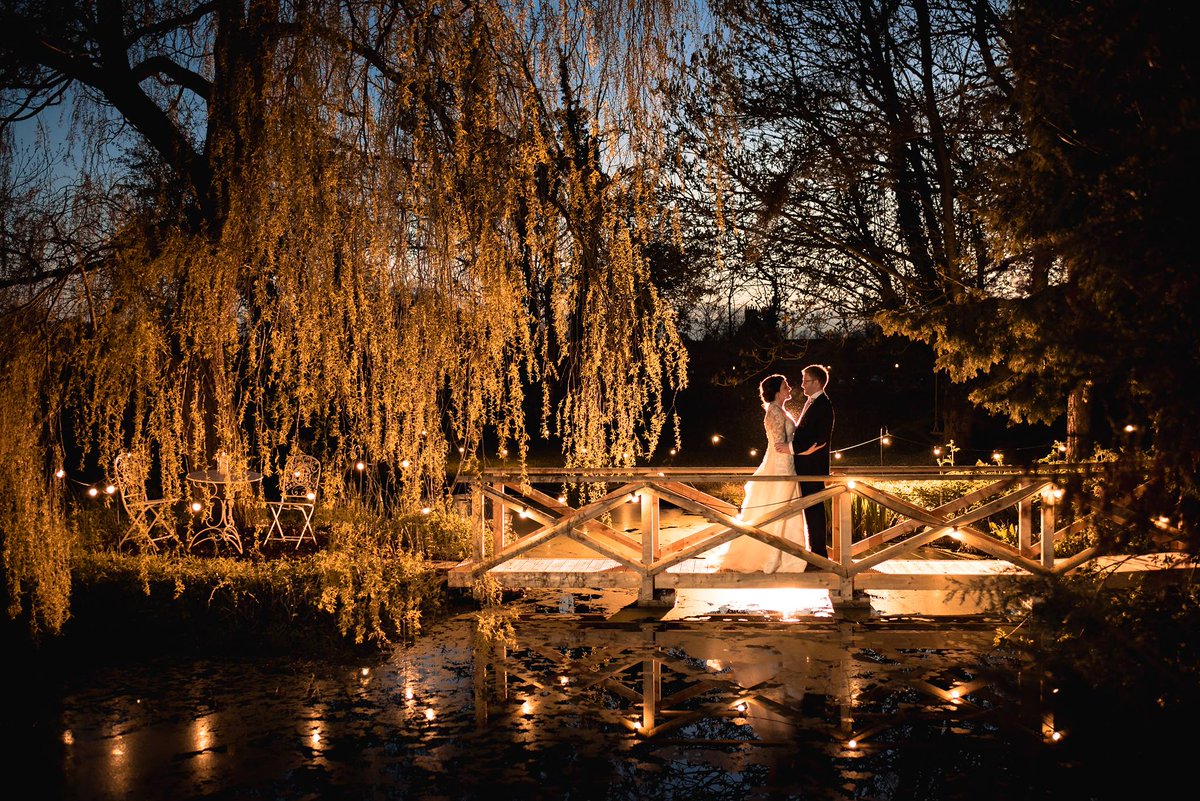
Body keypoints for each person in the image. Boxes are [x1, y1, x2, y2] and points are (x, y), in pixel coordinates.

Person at [720, 374, 819, 573]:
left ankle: (790, 555)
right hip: (781, 467)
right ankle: (774, 558)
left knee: (787, 511)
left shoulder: (779, 410)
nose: (789, 388)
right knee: (780, 510)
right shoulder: (774, 412)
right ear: (776, 391)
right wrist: (804, 451)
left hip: (787, 465)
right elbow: (779, 445)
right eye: (785, 386)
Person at [776, 364, 834, 560]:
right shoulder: (813, 403)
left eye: (805, 381)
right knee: (811, 510)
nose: (802, 385)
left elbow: (818, 439)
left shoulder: (823, 405)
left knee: (814, 510)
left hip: (813, 468)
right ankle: (816, 554)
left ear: (816, 382)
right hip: (806, 466)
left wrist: (790, 448)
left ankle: (819, 557)